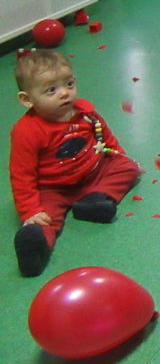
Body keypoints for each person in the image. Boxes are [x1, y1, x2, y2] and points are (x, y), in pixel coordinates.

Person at [9, 50, 141, 276]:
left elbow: (104, 136)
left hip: (91, 173)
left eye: (68, 84)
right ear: (27, 99)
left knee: (128, 166)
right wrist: (30, 210)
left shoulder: (85, 113)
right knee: (45, 216)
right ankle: (37, 247)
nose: (64, 94)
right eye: (51, 90)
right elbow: (22, 175)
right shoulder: (27, 131)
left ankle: (95, 200)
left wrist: (118, 154)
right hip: (53, 188)